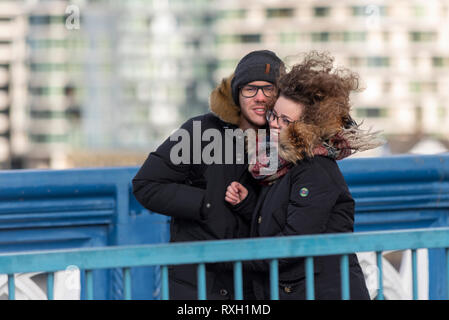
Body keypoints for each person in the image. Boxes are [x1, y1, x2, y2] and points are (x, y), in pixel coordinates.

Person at [225, 51, 383, 300]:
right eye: (273, 115)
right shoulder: (283, 164)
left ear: (308, 128)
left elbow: (293, 244)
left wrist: (233, 258)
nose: (274, 124)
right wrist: (247, 205)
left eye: (286, 120)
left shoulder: (315, 170)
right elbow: (280, 219)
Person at [132, 50, 285, 300]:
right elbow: (146, 185)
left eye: (269, 89)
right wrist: (206, 204)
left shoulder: (287, 138)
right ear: (237, 93)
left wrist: (248, 205)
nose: (260, 98)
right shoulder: (200, 131)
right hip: (199, 283)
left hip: (255, 283)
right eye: (250, 89)